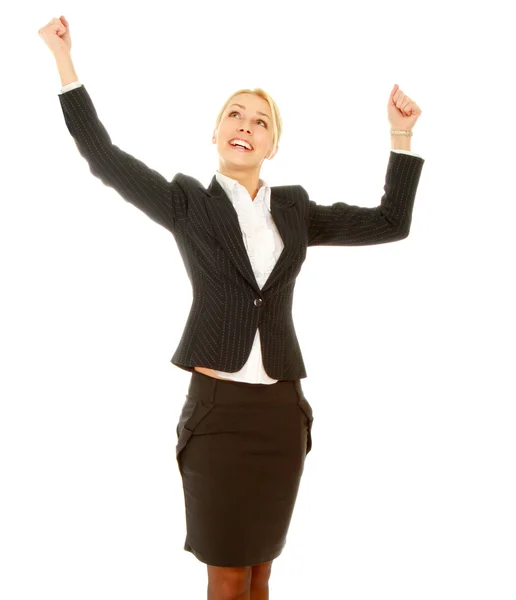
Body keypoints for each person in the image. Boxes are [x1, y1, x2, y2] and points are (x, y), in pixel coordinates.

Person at [39, 15, 425, 600]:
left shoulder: (295, 210)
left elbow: (390, 223)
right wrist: (63, 60)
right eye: (235, 116)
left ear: (274, 144)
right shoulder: (187, 203)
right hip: (218, 415)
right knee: (226, 575)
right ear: (216, 132)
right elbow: (101, 153)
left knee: (262, 573)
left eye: (261, 122)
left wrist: (401, 137)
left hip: (280, 415)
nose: (246, 126)